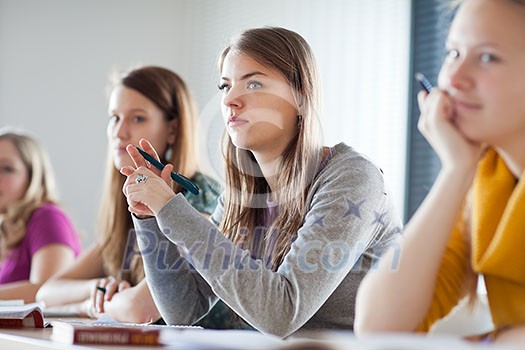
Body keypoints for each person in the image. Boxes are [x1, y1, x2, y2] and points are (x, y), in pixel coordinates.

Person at [120, 27, 402, 338]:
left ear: (301, 97)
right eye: (225, 86)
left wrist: (173, 209)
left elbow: (283, 313)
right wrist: (149, 216)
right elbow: (184, 309)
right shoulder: (241, 198)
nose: (230, 100)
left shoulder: (351, 179)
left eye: (253, 83)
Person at [354, 0, 525, 343]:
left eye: (487, 57)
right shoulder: (489, 176)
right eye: (453, 53)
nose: (454, 79)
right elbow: (379, 325)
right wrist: (456, 170)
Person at [36, 66, 232, 326]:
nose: (119, 133)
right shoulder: (133, 202)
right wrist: (98, 290)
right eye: (114, 117)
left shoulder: (201, 200)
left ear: (172, 130)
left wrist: (93, 306)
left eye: (137, 118)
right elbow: (47, 292)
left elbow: (139, 310)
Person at [0, 129, 81, 302]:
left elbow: (49, 292)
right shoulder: (8, 230)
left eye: (7, 168)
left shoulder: (47, 217)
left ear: (32, 176)